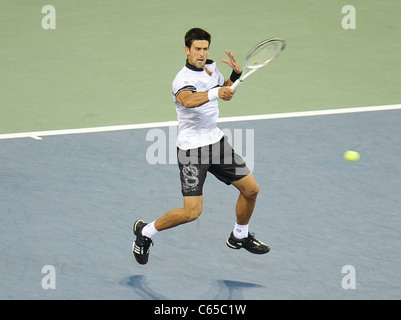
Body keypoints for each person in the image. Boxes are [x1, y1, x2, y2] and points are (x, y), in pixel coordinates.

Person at [133, 27, 269, 265]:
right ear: (187, 50)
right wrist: (218, 92)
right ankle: (145, 232)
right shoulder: (182, 80)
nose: (202, 53)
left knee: (251, 190)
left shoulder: (212, 68)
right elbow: (188, 100)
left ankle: (239, 235)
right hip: (192, 151)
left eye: (205, 49)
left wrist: (235, 76)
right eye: (197, 49)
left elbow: (222, 90)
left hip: (216, 142)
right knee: (192, 212)